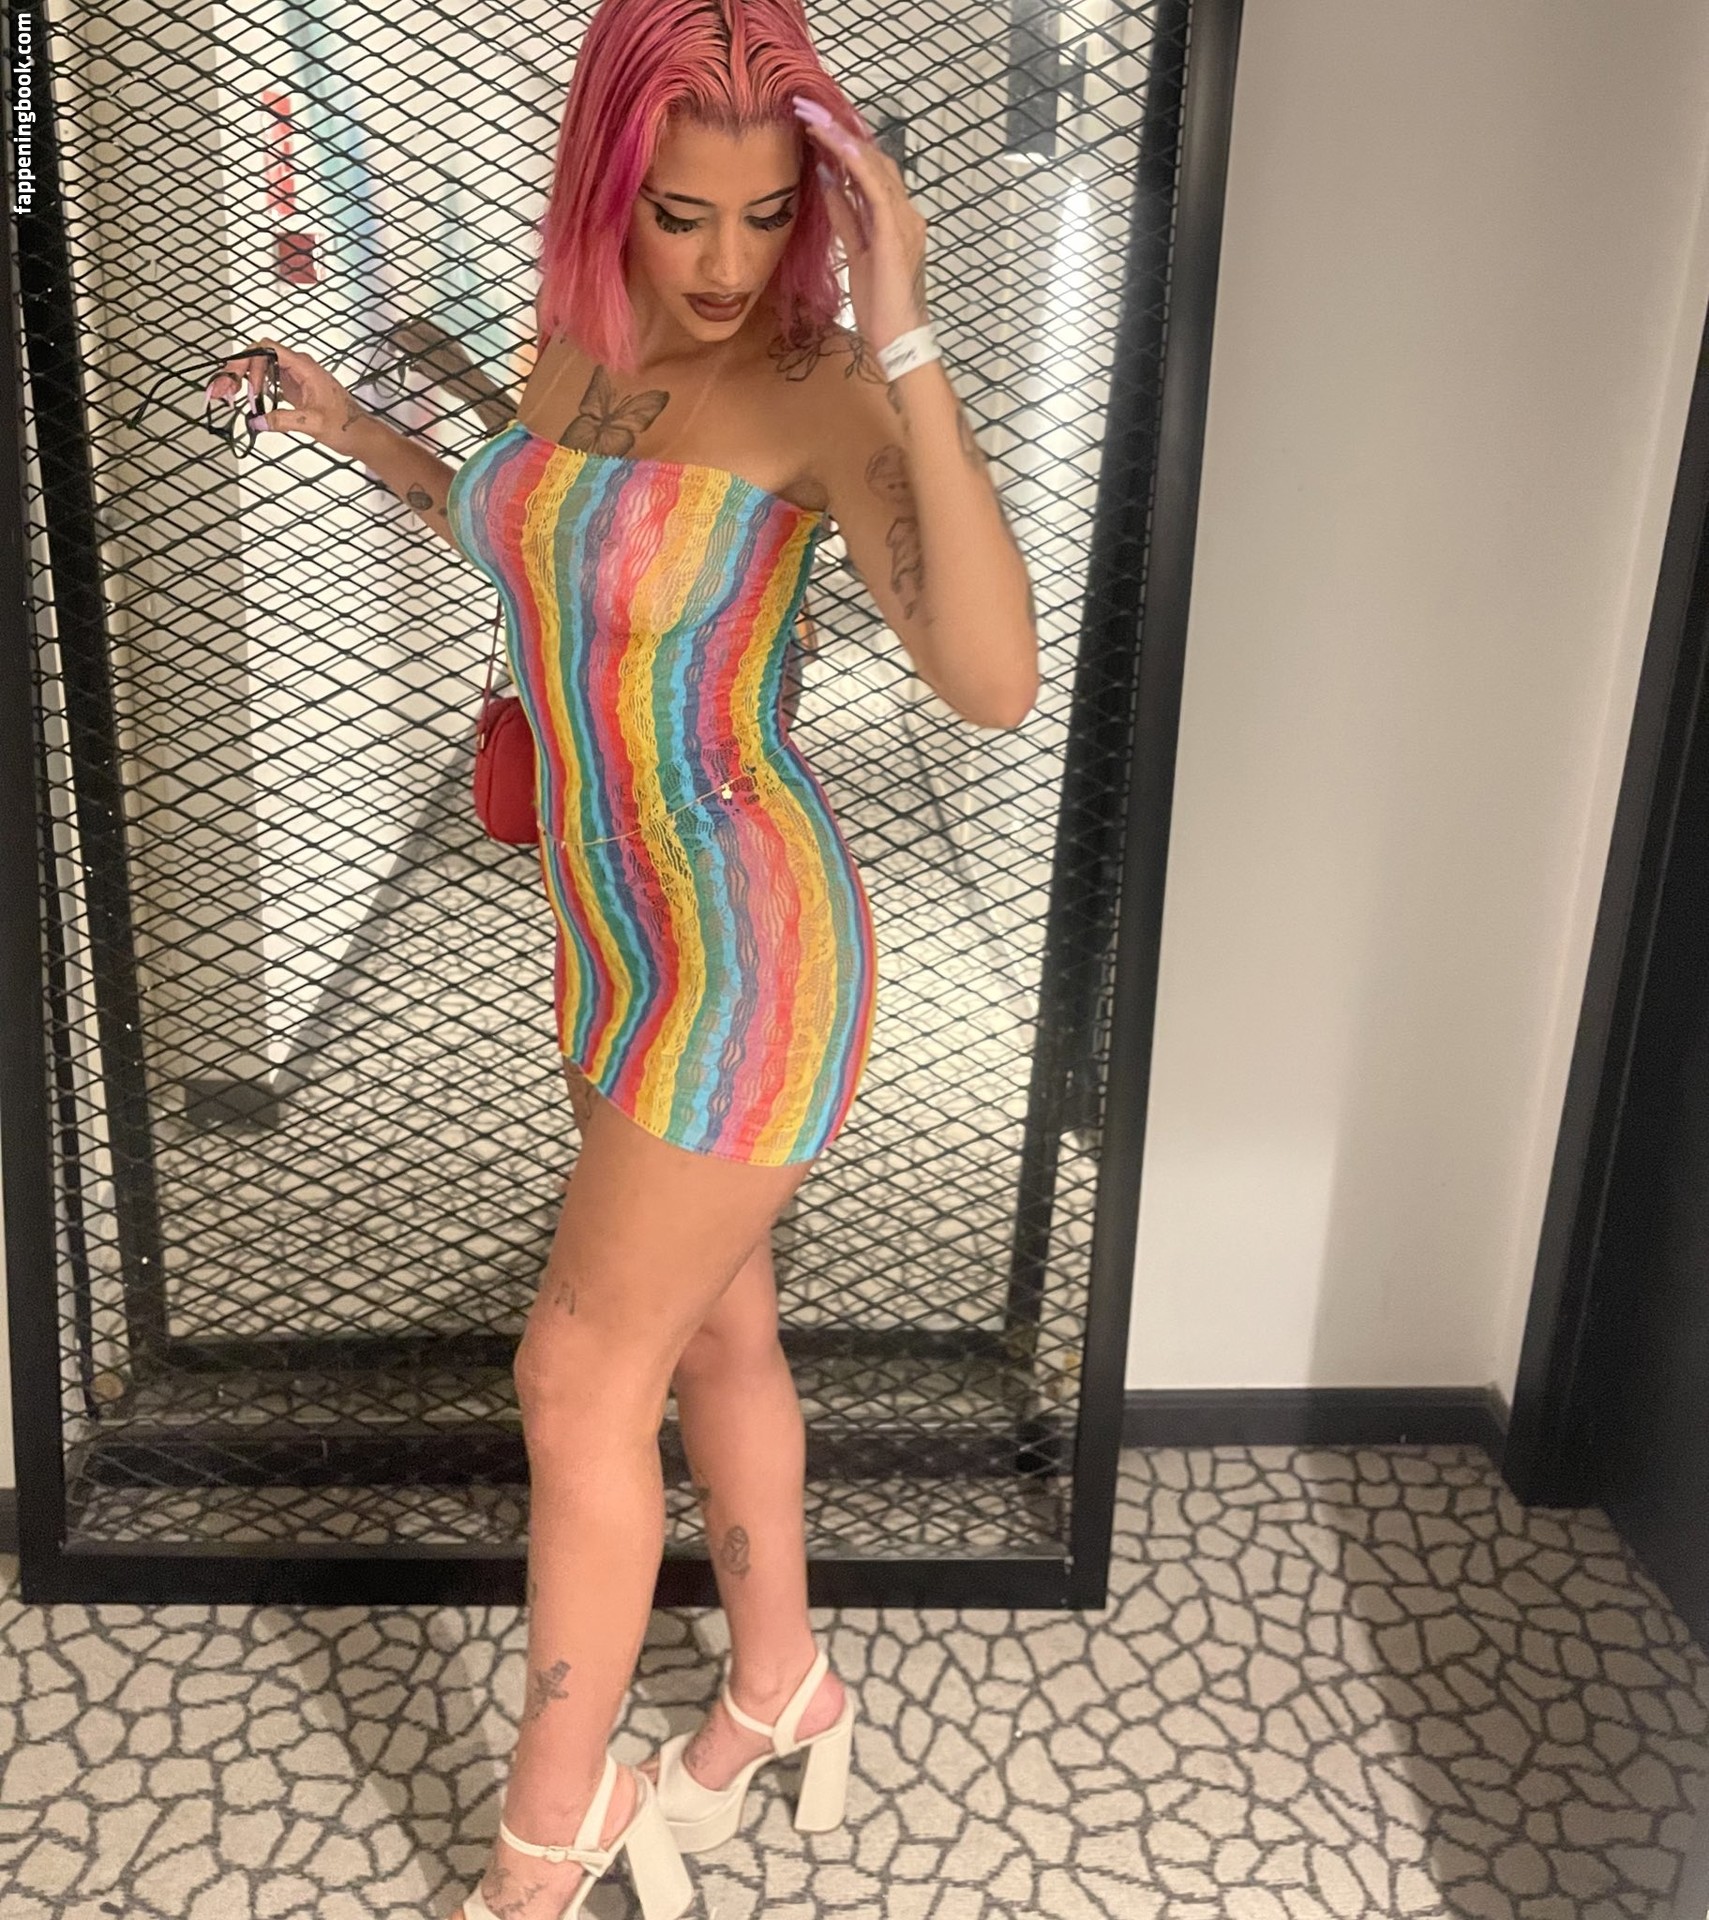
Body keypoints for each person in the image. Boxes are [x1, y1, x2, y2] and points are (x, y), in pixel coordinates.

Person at [214, 0, 1037, 1912]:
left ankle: (545, 1834)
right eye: (681, 214)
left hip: (748, 939)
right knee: (718, 1329)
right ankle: (778, 1686)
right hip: (605, 926)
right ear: (611, 188)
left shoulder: (824, 394)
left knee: (575, 1378)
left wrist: (905, 329)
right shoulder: (569, 347)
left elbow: (991, 682)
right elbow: (527, 534)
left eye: (770, 214)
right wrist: (343, 422)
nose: (728, 264)